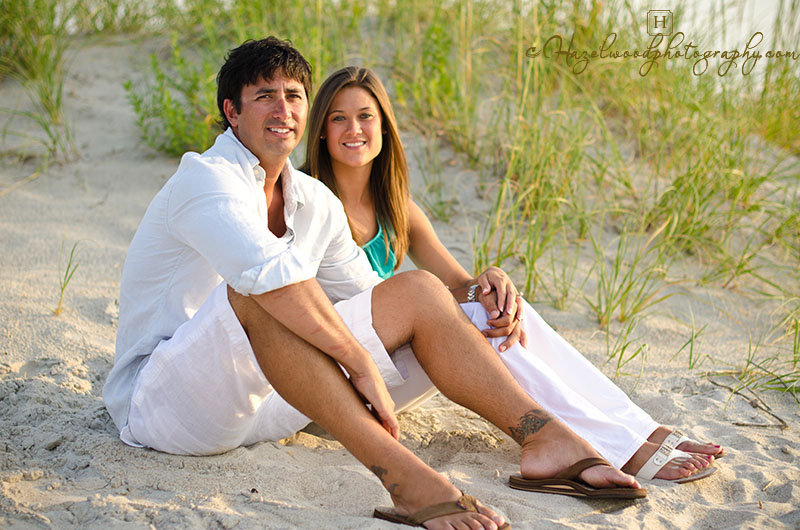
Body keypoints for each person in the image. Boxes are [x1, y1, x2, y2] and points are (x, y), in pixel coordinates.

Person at [103, 38, 652, 530]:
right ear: (232, 112)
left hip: (272, 404)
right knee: (258, 293)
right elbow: (266, 280)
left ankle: (545, 438)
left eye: (294, 96)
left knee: (419, 292)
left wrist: (477, 288)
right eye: (265, 96)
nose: (283, 110)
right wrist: (361, 363)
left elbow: (378, 298)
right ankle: (407, 481)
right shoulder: (205, 178)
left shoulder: (315, 202)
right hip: (166, 405)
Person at [300, 66, 725, 486]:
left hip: (389, 365)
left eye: (365, 116)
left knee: (498, 308)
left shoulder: (398, 208)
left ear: (385, 128)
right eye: (338, 117)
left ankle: (640, 430)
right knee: (481, 319)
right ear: (321, 129)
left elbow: (457, 284)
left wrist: (491, 281)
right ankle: (620, 446)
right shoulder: (307, 199)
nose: (352, 128)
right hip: (342, 384)